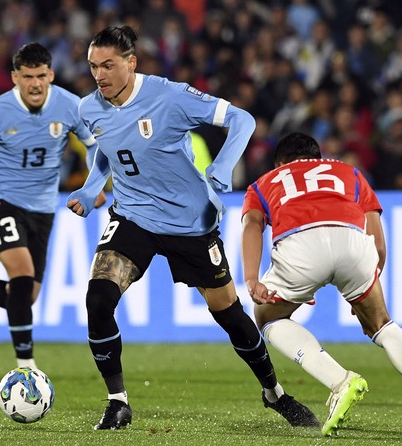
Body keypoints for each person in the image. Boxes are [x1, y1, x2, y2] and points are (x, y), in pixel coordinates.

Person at [66, 26, 319, 431]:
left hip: (190, 224)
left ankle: (275, 394)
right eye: (94, 66)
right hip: (134, 216)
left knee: (230, 314)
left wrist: (221, 165)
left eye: (109, 65)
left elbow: (243, 120)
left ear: (132, 63)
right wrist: (91, 186)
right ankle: (117, 402)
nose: (100, 75)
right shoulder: (89, 108)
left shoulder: (170, 96)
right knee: (98, 299)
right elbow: (105, 149)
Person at [241, 132, 402, 438]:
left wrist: (252, 279)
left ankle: (339, 381)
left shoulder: (265, 181)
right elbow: (378, 243)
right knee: (383, 325)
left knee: (268, 317)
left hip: (300, 244)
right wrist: (365, 285)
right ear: (318, 158)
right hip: (354, 243)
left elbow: (253, 223)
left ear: (281, 163)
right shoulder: (351, 172)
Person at [0, 42, 105, 370]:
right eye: (27, 76)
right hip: (2, 202)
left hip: (43, 209)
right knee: (23, 275)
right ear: (15, 77)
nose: (35, 84)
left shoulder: (71, 106)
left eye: (41, 75)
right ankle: (26, 368)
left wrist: (92, 185)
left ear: (52, 74)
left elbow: (95, 147)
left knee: (24, 295)